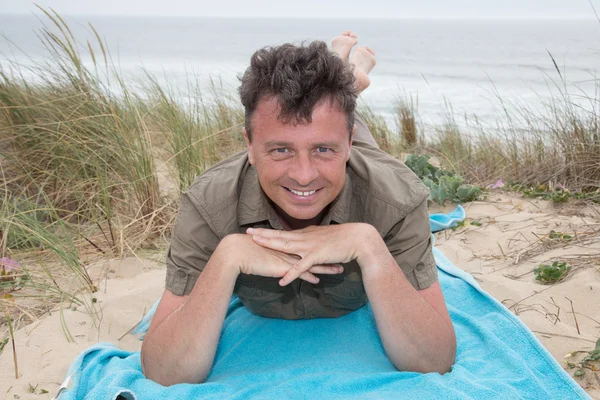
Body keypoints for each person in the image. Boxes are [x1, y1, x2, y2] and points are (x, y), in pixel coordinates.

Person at [141, 31, 456, 386]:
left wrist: (370, 246)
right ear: (249, 145)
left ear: (348, 144)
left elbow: (434, 360)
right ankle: (345, 77)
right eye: (280, 150)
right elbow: (164, 373)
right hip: (323, 143)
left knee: (339, 118)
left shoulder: (397, 200)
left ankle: (348, 77)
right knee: (323, 119)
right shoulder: (208, 205)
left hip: (364, 162)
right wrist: (227, 256)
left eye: (324, 150)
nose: (304, 176)